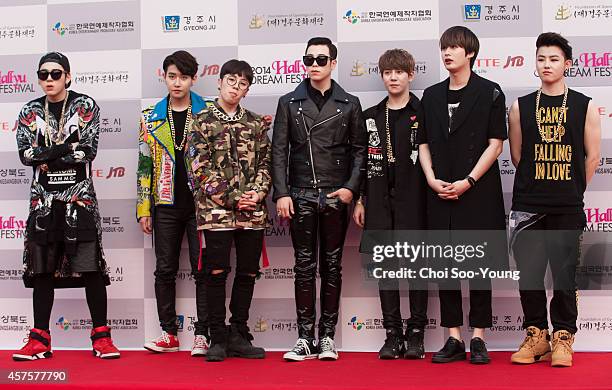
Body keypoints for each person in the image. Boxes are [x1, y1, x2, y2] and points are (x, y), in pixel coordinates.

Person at [13, 52, 120, 361]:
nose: (49, 79)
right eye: (43, 74)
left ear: (68, 76)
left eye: (55, 73)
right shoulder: (30, 111)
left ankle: (101, 338)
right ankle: (39, 341)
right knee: (43, 270)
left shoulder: (85, 106)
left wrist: (48, 154)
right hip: (43, 203)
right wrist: (64, 149)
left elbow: (88, 151)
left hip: (79, 201)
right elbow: (26, 155)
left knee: (90, 269)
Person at [508, 32, 601, 368]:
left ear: (567, 65)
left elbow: (591, 159)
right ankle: (536, 336)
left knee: (564, 275)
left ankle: (563, 338)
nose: (547, 65)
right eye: (542, 59)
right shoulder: (519, 107)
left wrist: (570, 190)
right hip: (527, 206)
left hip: (567, 207)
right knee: (529, 275)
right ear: (535, 63)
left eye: (554, 59)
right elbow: (518, 157)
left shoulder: (584, 105)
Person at [273, 37, 367, 361]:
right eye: (309, 59)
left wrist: (351, 189)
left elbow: (359, 152)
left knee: (332, 266)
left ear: (333, 62)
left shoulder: (350, 103)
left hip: (334, 194)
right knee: (303, 266)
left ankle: (327, 336)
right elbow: (279, 150)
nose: (314, 65)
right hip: (299, 193)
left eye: (321, 59)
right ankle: (304, 338)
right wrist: (282, 192)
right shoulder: (289, 102)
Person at [417, 26, 507, 364]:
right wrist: (431, 179)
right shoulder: (431, 95)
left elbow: (495, 144)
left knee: (479, 266)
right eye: (444, 47)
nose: (447, 52)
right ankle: (453, 337)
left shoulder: (490, 92)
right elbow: (423, 143)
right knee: (445, 266)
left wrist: (469, 180)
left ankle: (479, 337)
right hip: (439, 190)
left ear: (470, 52)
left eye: (454, 47)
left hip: (478, 192)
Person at [186, 59, 271, 362]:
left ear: (247, 90)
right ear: (220, 82)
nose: (236, 87)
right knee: (216, 273)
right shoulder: (201, 121)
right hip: (216, 213)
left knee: (248, 272)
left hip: (252, 214)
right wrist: (234, 198)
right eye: (232, 81)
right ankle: (217, 337)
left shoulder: (256, 123)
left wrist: (257, 193)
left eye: (243, 83)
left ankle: (239, 333)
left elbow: (266, 164)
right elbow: (199, 169)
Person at [353, 49, 428, 360]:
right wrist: (359, 198)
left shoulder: (425, 113)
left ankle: (416, 333)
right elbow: (359, 161)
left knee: (417, 270)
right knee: (386, 269)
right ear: (382, 76)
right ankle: (392, 333)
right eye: (387, 72)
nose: (393, 77)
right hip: (379, 202)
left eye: (399, 72)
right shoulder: (370, 116)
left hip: (416, 201)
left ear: (410, 74)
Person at [138, 50, 212, 356]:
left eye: (183, 77)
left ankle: (202, 335)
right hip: (164, 205)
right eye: (172, 76)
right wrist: (144, 208)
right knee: (164, 270)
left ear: (194, 79)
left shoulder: (208, 114)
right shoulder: (150, 118)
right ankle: (168, 333)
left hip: (201, 206)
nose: (177, 82)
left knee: (203, 270)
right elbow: (144, 164)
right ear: (163, 76)